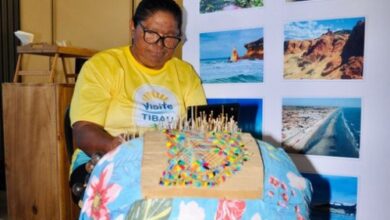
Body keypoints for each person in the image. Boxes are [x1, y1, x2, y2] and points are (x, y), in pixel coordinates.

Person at [68, 0, 206, 205]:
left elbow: (200, 127)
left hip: (170, 163)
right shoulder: (103, 66)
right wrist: (113, 145)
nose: (160, 45)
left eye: (170, 38)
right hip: (103, 158)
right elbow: (83, 129)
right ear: (133, 26)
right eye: (151, 33)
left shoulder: (185, 74)